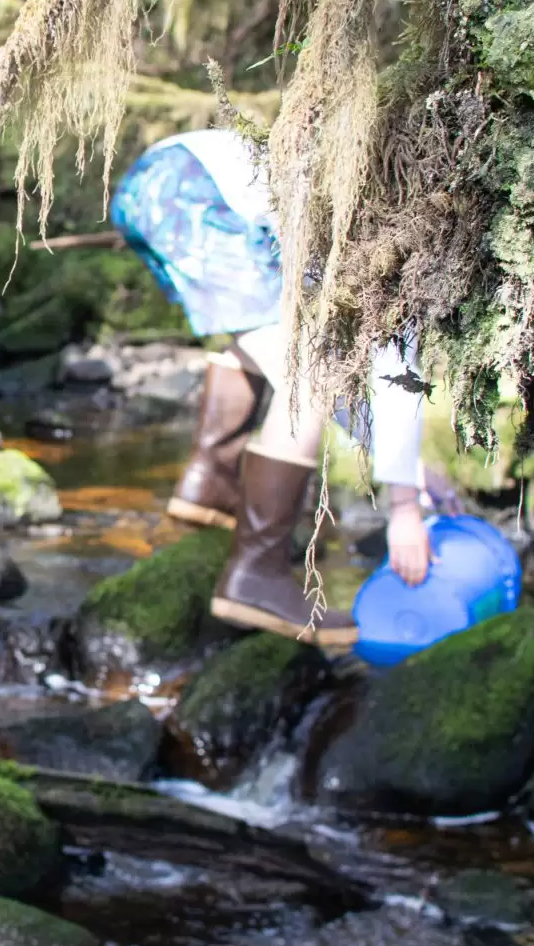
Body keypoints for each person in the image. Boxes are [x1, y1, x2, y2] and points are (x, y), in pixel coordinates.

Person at [111, 129, 431, 648]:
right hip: (200, 186)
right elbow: (396, 372)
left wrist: (407, 472)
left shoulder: (368, 181)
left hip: (156, 178)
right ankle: (256, 573)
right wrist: (406, 505)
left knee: (273, 340)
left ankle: (209, 479)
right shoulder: (409, 240)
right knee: (314, 369)